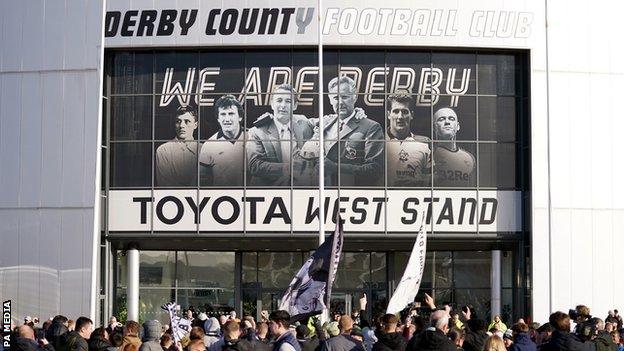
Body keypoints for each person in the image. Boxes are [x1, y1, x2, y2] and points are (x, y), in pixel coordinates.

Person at [247, 84, 314, 186]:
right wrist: (290, 168)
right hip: (270, 192)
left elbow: (326, 121)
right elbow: (254, 165)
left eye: (288, 101)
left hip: (299, 190)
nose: (283, 105)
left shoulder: (303, 122)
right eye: (279, 100)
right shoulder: (257, 132)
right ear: (272, 104)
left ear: (295, 106)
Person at [384, 94, 431, 186]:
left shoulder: (425, 143)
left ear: (411, 115)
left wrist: (418, 182)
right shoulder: (376, 142)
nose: (400, 117)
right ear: (388, 114)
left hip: (413, 198)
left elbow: (433, 178)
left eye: (405, 112)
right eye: (396, 111)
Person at [199, 95, 246, 186]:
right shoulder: (209, 145)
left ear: (240, 117)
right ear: (218, 118)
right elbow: (202, 183)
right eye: (223, 114)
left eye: (231, 114)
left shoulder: (254, 138)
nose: (227, 119)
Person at [155, 105, 200, 186]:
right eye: (178, 121)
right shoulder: (163, 150)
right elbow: (165, 185)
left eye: (187, 121)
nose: (182, 125)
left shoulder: (204, 150)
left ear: (195, 125)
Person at [431, 107, 475, 187]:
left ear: (457, 126)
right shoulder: (429, 155)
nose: (447, 122)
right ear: (434, 127)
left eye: (451, 119)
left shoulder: (469, 158)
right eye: (441, 119)